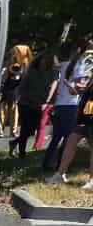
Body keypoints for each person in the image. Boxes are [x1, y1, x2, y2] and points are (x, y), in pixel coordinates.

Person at [44, 39, 92, 179]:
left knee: (59, 137)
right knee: (69, 138)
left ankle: (50, 165)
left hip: (62, 104)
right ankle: (60, 168)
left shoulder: (66, 65)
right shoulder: (80, 65)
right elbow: (77, 88)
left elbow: (62, 85)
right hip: (72, 105)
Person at [0, 43, 30, 143]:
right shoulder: (7, 66)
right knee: (3, 113)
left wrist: (21, 72)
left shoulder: (23, 67)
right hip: (6, 93)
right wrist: (6, 71)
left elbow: (24, 80)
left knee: (15, 113)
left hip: (16, 94)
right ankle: (1, 131)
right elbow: (3, 80)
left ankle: (13, 131)